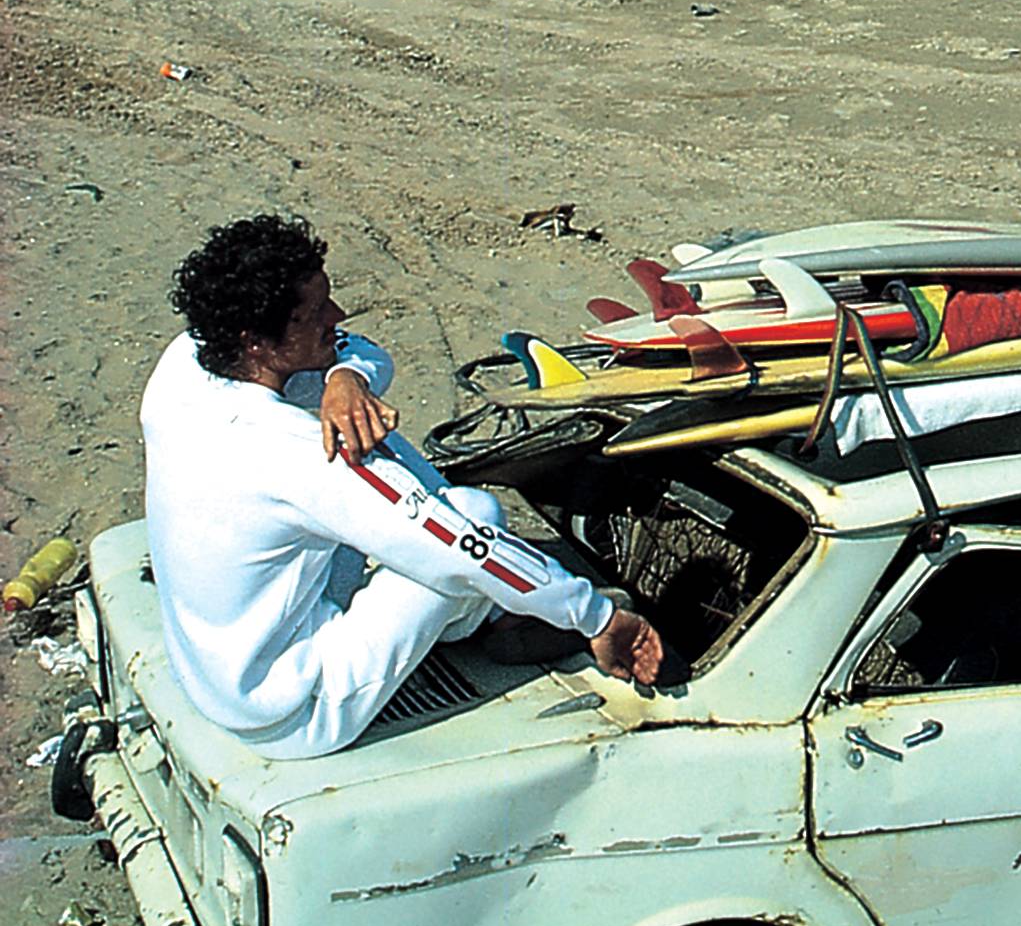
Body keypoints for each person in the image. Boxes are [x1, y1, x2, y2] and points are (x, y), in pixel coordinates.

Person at [141, 213, 661, 756]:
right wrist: (595, 616)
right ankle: (488, 619)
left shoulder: (183, 365)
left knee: (374, 459)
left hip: (217, 672)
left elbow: (360, 349)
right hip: (297, 708)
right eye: (317, 311)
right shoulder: (296, 452)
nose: (337, 316)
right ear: (256, 342)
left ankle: (484, 612)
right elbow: (461, 541)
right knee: (471, 513)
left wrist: (347, 377)